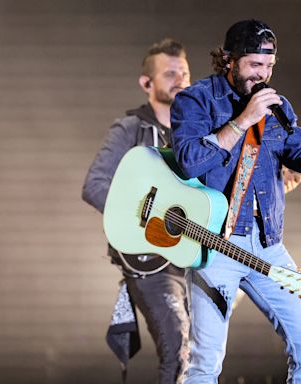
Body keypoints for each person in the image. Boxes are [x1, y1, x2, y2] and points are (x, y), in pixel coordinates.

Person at [170, 19, 301, 384]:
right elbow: (188, 160)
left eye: (268, 67)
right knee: (206, 363)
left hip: (267, 245)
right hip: (214, 244)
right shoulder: (196, 100)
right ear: (228, 60)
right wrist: (242, 121)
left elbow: (300, 149)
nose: (263, 75)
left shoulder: (277, 106)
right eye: (255, 65)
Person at [82, 38, 191, 384]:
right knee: (178, 351)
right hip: (149, 261)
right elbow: (95, 184)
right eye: (170, 73)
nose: (180, 81)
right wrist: (144, 217)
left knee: (203, 356)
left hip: (192, 257)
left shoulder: (196, 135)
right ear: (147, 83)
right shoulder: (130, 129)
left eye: (185, 74)